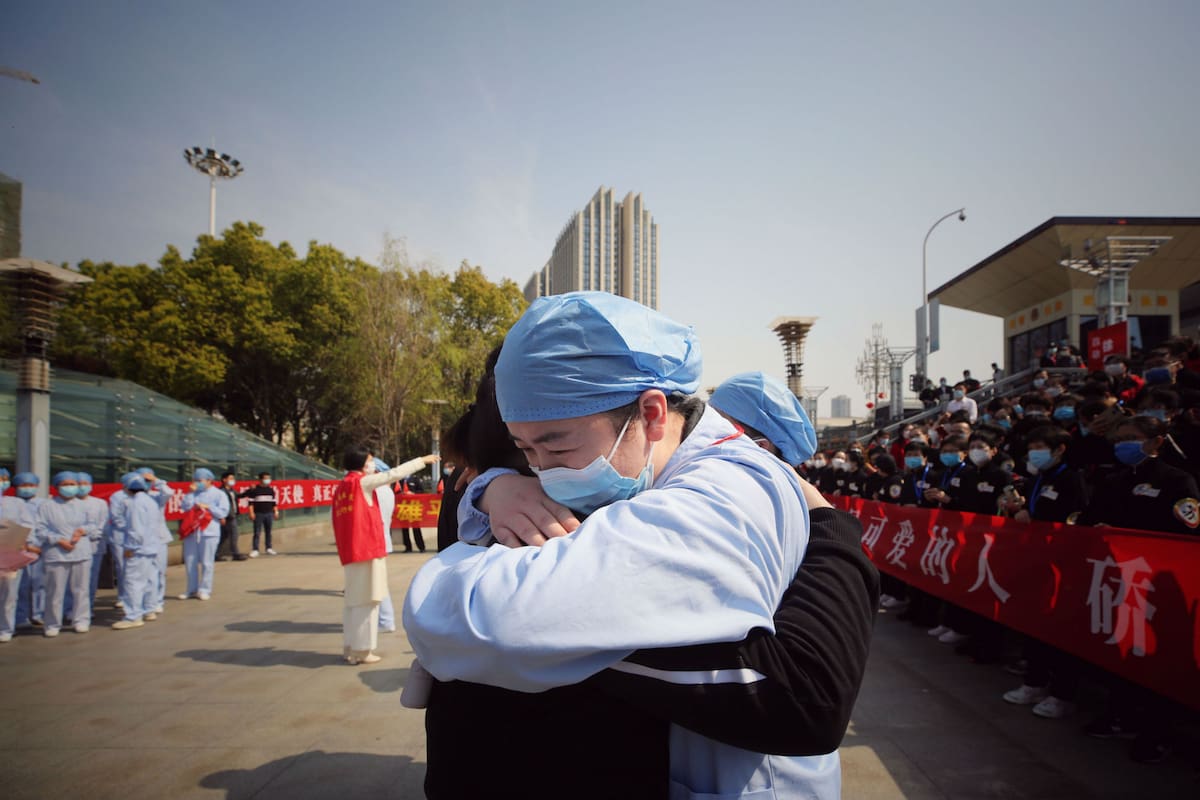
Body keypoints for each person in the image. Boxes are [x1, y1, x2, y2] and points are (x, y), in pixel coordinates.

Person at [403, 292, 840, 798]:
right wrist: (491, 484)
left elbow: (489, 618)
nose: (543, 470)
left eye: (557, 445)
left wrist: (444, 574)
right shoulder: (641, 469)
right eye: (525, 449)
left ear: (652, 414)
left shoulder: (717, 497)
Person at [334, 447, 436, 665]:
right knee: (368, 600)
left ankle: (351, 647)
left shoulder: (344, 485)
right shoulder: (360, 482)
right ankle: (362, 651)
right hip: (367, 551)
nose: (373, 465)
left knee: (353, 602)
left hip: (354, 552)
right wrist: (422, 460)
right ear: (361, 464)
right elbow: (393, 474)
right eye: (370, 461)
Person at [27, 472, 95, 637]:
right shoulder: (47, 506)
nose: (70, 487)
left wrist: (82, 531)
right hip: (56, 553)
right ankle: (52, 623)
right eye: (65, 484)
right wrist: (57, 540)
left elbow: (93, 524)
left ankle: (81, 620)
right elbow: (40, 529)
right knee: (54, 591)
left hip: (81, 551)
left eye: (72, 484)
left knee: (81, 589)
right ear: (57, 486)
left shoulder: (83, 505)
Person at [112, 473, 163, 630]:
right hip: (151, 547)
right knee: (148, 580)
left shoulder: (135, 503)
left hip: (139, 549)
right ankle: (148, 609)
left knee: (133, 582)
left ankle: (133, 616)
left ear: (127, 487)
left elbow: (135, 529)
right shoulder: (149, 501)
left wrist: (130, 548)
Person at [1, 469, 40, 642]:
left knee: (9, 593)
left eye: (5, 479)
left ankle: (6, 628)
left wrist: (25, 542)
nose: (3, 482)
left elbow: (27, 524)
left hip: (11, 551)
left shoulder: (16, 503)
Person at [179, 468, 230, 601]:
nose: (197, 483)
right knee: (190, 562)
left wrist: (208, 507)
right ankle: (191, 589)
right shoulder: (193, 493)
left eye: (200, 481)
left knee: (207, 562)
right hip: (192, 531)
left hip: (209, 532)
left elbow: (223, 512)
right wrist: (190, 493)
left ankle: (205, 589)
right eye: (195, 480)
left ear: (209, 480)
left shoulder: (219, 494)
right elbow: (184, 506)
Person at [137, 467, 175, 614]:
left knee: (159, 571)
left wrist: (156, 481)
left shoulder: (156, 496)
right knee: (142, 573)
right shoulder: (132, 498)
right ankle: (142, 601)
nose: (146, 482)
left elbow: (169, 492)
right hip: (140, 541)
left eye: (148, 480)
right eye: (144, 480)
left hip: (159, 538)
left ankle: (158, 600)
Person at [240, 472, 279, 557]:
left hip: (269, 513)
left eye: (268, 478)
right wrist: (251, 512)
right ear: (260, 479)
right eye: (265, 478)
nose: (267, 480)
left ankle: (269, 548)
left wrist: (276, 511)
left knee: (268, 531)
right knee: (257, 532)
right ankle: (255, 549)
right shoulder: (255, 490)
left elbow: (274, 502)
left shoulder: (270, 490)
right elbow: (250, 503)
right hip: (258, 514)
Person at [216, 472, 245, 561]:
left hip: (231, 515)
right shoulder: (221, 492)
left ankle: (215, 555)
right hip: (228, 517)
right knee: (234, 535)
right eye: (230, 478)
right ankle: (235, 554)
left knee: (223, 537)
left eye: (233, 479)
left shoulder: (232, 491)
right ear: (224, 480)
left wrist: (250, 491)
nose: (233, 480)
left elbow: (240, 495)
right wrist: (223, 516)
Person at [397, 474, 426, 553]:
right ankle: (408, 547)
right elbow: (396, 491)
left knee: (416, 528)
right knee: (404, 529)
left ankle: (421, 547)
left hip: (413, 506)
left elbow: (421, 491)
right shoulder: (400, 479)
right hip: (403, 507)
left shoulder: (415, 479)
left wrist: (413, 493)